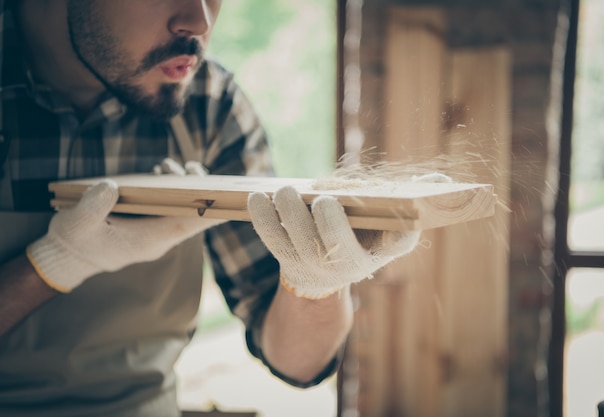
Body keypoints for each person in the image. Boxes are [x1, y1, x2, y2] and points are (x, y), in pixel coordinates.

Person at [0, 1, 421, 416]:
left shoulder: (209, 103)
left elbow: (296, 361)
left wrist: (316, 284)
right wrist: (53, 264)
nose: (199, 21)